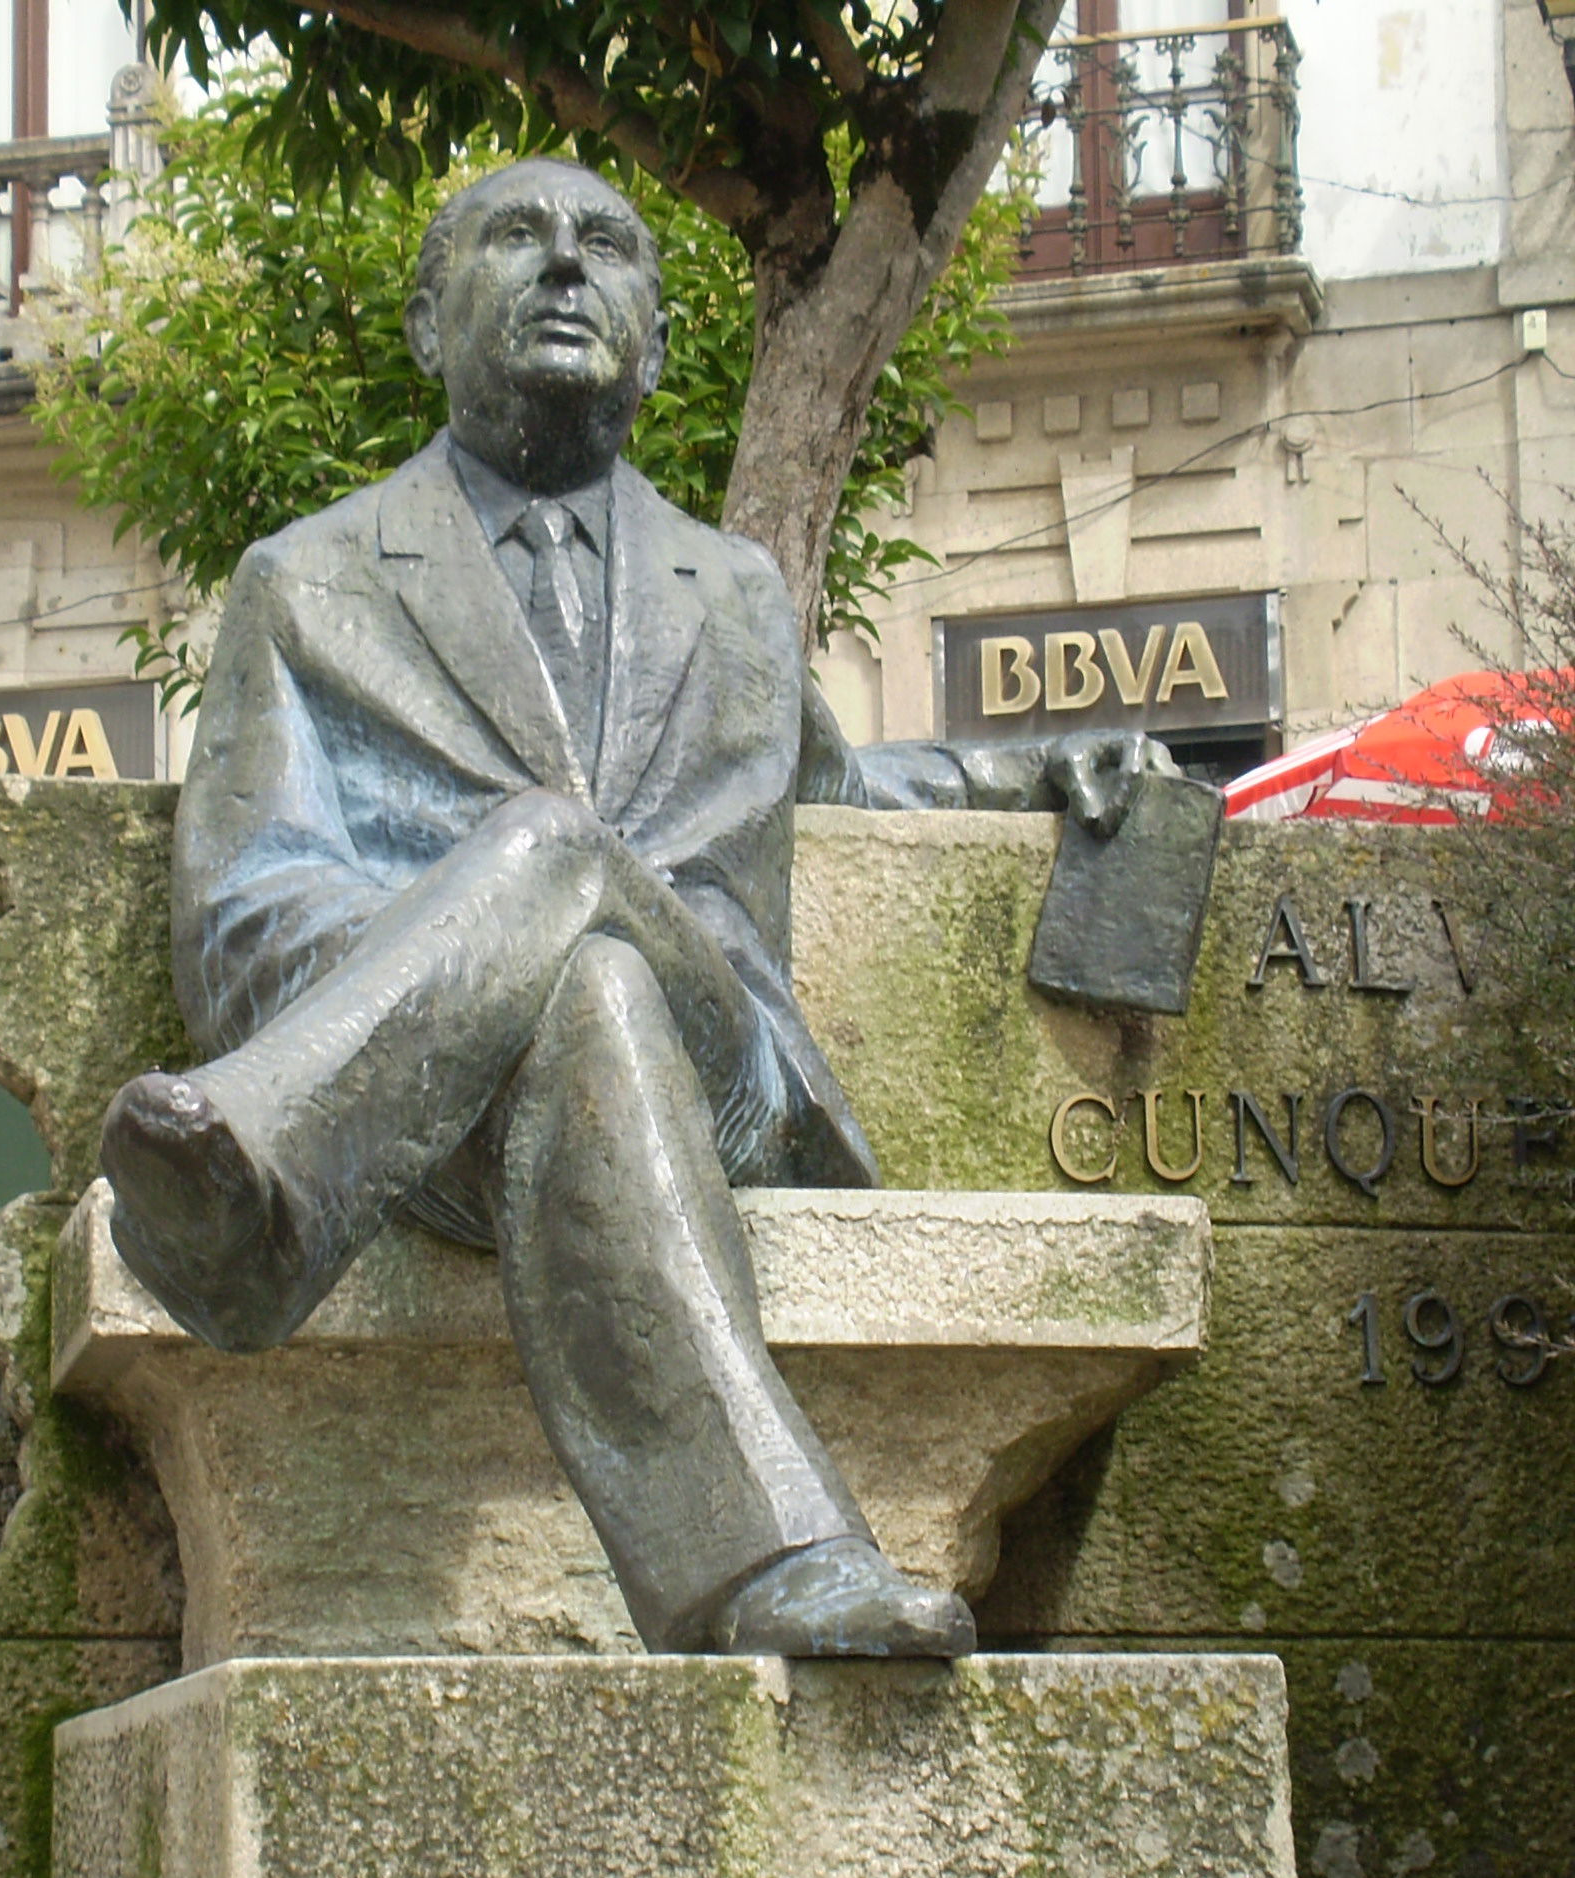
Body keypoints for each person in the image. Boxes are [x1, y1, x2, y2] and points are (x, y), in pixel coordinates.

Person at [104, 157, 1158, 1660]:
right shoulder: (308, 582)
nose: (562, 266)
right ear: (425, 320)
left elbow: (843, 791)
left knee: (566, 860)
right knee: (583, 973)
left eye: (605, 244)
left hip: (725, 1069)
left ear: (655, 344)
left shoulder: (731, 591)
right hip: (452, 1110)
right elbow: (243, 901)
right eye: (513, 237)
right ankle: (766, 1569)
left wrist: (1033, 767)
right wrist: (450, 973)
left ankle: (263, 1190)